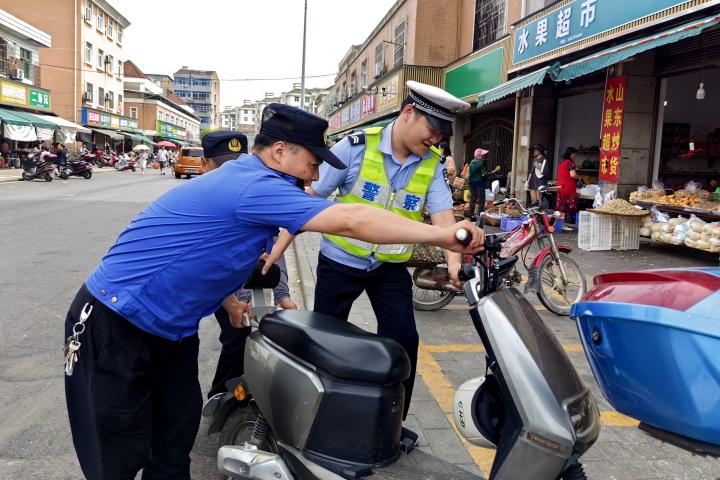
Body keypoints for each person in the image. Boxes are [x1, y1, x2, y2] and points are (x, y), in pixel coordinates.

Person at [63, 102, 483, 480]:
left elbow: (217, 247)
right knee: (115, 455)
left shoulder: (258, 181)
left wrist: (228, 299)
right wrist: (446, 235)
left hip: (172, 332)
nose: (318, 175)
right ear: (280, 151)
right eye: (312, 161)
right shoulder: (257, 185)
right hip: (113, 322)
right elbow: (351, 219)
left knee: (173, 442)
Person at [305, 81, 470, 423]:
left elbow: (444, 220)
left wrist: (455, 263)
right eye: (432, 130)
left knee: (404, 341)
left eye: (442, 135)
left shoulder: (431, 164)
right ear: (409, 113)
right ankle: (317, 415)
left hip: (389, 268)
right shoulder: (355, 147)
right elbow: (311, 198)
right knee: (324, 341)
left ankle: (391, 424)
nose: (435, 140)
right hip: (339, 262)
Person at [466, 148, 499, 220]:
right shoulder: (481, 163)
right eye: (483, 155)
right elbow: (484, 175)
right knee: (481, 201)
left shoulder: (472, 162)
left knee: (473, 199)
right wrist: (494, 171)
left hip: (471, 182)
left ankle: (471, 215)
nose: (485, 156)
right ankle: (480, 216)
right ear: (480, 156)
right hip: (479, 183)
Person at [556, 147, 579, 231]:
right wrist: (578, 177)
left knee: (561, 206)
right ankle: (562, 224)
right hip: (568, 188)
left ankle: (560, 224)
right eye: (574, 154)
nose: (575, 156)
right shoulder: (570, 163)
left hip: (560, 187)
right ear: (572, 154)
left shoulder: (561, 162)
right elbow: (572, 174)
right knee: (566, 207)